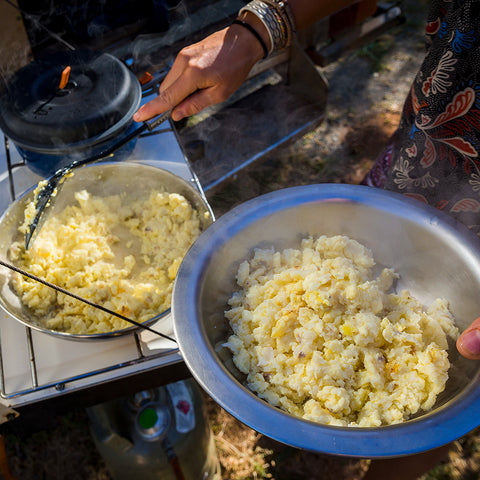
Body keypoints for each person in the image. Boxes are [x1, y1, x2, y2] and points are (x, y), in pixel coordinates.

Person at [134, 0, 480, 477]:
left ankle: (384, 465)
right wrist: (258, 29)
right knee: (367, 258)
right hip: (430, 139)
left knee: (445, 408)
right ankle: (329, 434)